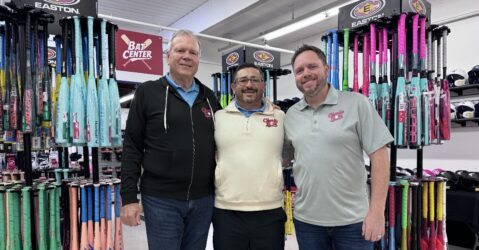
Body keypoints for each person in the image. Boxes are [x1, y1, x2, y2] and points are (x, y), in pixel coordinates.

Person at [283, 44, 393, 250]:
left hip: (352, 222)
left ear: (326, 69)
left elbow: (379, 156)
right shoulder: (291, 115)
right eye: (299, 70)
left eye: (312, 67)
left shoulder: (356, 103)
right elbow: (283, 159)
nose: (306, 74)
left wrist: (377, 212)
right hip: (307, 221)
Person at [120, 29, 221, 250]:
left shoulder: (209, 98)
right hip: (161, 200)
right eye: (180, 50)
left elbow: (227, 139)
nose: (186, 56)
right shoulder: (148, 93)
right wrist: (128, 198)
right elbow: (132, 147)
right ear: (168, 56)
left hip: (204, 200)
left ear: (198, 60)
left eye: (192, 52)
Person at [212, 63, 286, 250]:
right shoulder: (218, 118)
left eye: (255, 80)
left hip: (270, 210)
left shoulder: (280, 117)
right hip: (226, 211)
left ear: (263, 85)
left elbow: (290, 151)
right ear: (233, 87)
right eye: (243, 80)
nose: (249, 85)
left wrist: (274, 171)